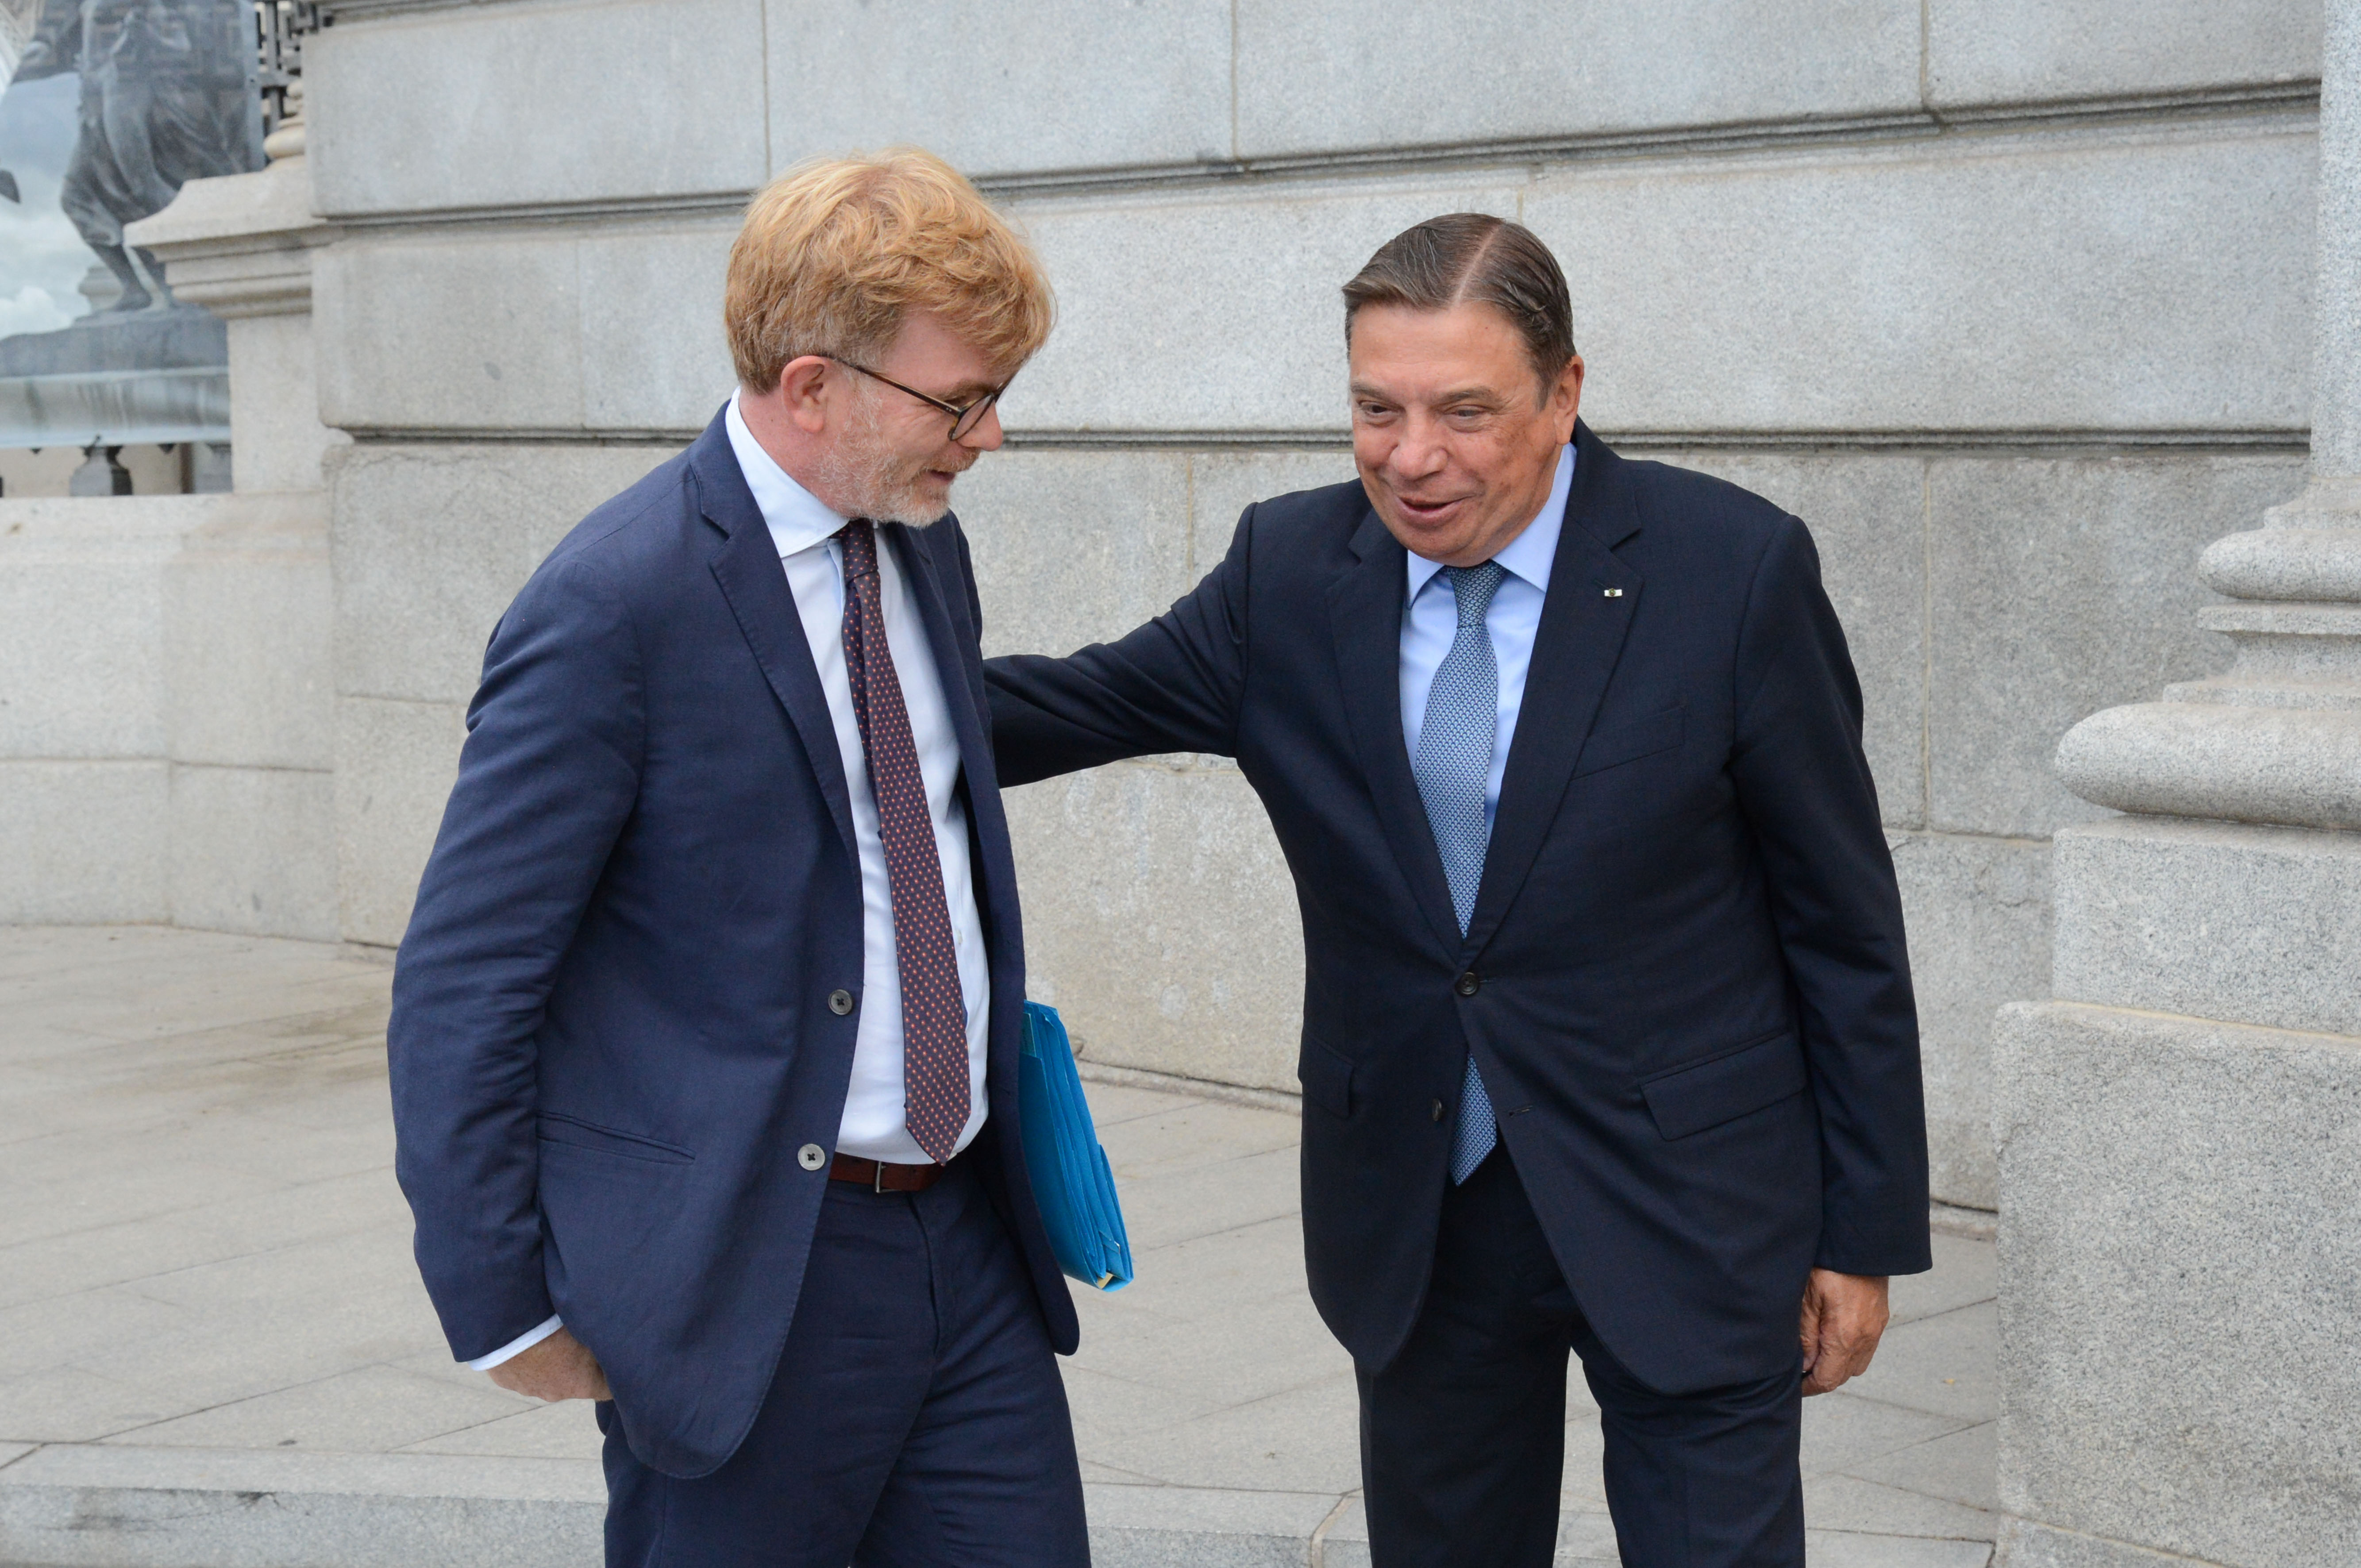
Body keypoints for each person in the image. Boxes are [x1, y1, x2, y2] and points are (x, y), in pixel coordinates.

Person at [984, 213, 1931, 1567]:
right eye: (1377, 409)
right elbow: (1054, 709)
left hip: (1691, 1205)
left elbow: (1843, 927)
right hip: (1423, 1210)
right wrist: (801, 666)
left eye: (1464, 412)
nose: (1412, 456)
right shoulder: (1289, 574)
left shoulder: (1730, 570)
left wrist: (1864, 1231)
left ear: (1564, 393)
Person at [386, 149, 1090, 1568]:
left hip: (971, 1243)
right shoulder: (611, 605)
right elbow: (467, 978)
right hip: (752, 1273)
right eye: (961, 400)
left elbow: (904, 793)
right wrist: (501, 1303)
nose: (990, 436)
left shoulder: (919, 541)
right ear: (813, 385)